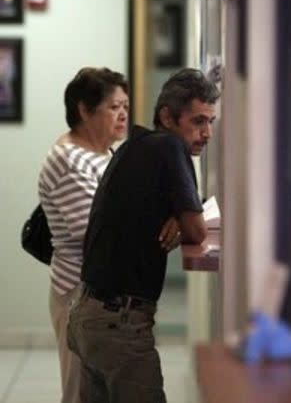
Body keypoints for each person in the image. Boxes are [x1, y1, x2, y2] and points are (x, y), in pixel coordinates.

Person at [67, 68, 220, 403]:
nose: (207, 132)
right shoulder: (169, 147)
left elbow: (163, 214)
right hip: (118, 325)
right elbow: (196, 229)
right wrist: (183, 221)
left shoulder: (134, 147)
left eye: (211, 122)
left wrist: (178, 219)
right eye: (197, 121)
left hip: (87, 315)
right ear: (167, 116)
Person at [38, 67, 130, 403]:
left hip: (102, 292)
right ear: (84, 110)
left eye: (125, 106)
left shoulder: (101, 152)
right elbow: (94, 231)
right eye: (114, 107)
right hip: (79, 292)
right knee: (81, 392)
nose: (123, 115)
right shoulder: (69, 160)